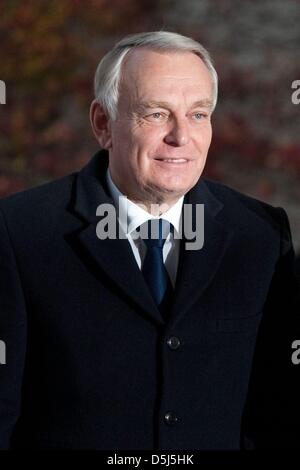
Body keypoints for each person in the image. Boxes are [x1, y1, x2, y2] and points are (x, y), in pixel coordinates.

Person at [0, 31, 299, 450]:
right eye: (157, 114)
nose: (181, 137)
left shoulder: (262, 235)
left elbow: (279, 410)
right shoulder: (19, 232)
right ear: (103, 123)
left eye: (198, 114)